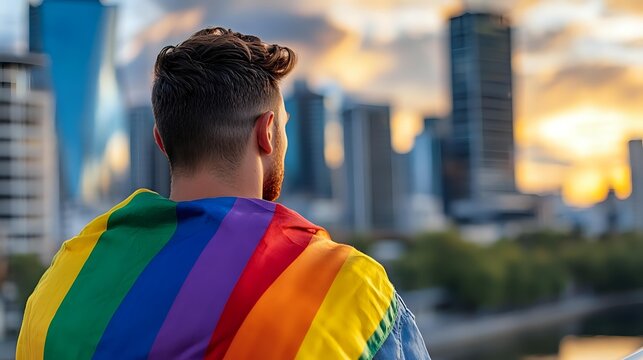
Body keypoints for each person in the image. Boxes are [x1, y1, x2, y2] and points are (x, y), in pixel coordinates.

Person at [17, 27, 430, 360]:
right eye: (282, 126)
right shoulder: (348, 289)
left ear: (161, 141)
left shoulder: (61, 286)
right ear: (267, 132)